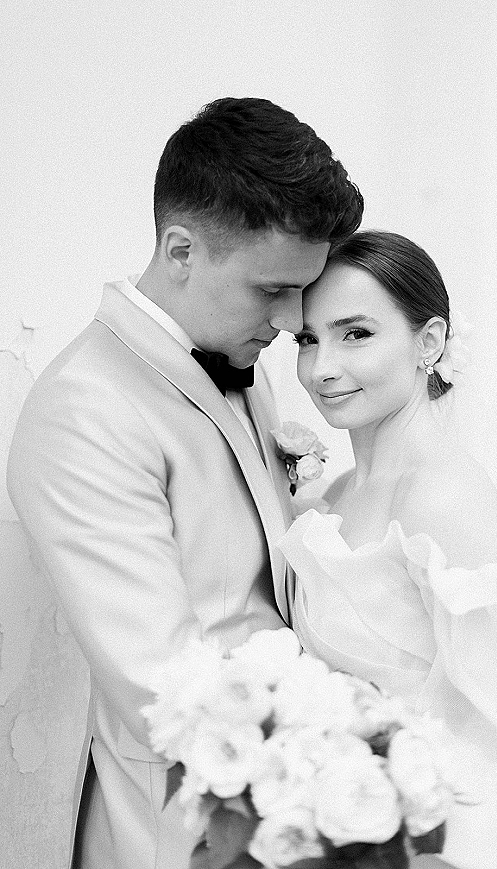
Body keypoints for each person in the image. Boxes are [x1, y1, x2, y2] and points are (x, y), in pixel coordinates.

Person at [6, 97, 363, 869]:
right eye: (271, 289)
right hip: (186, 823)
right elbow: (160, 682)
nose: (292, 317)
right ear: (179, 250)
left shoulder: (242, 361)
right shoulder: (84, 408)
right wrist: (346, 772)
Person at [278, 230, 497, 869]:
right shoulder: (337, 492)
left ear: (429, 342)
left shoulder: (444, 501)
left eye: (355, 333)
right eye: (307, 339)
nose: (322, 367)